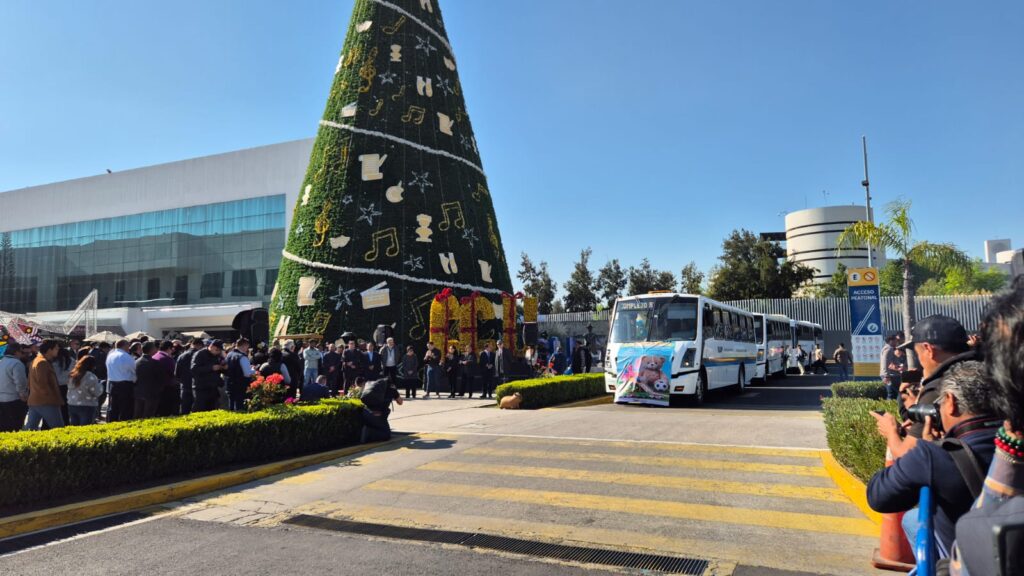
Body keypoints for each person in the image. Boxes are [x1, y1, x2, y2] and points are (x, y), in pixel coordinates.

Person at [867, 360, 999, 555]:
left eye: (940, 404)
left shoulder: (933, 455)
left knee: (913, 520)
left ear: (951, 402)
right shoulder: (1011, 438)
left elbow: (878, 496)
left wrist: (895, 435)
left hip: (973, 561)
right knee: (912, 519)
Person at [884, 315, 973, 459]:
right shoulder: (988, 372)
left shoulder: (937, 388)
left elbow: (905, 453)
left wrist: (891, 431)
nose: (920, 361)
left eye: (918, 354)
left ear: (928, 349)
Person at [23, 339, 65, 430]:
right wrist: (53, 398)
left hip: (35, 400)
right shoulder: (42, 362)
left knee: (30, 430)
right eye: (56, 348)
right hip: (46, 401)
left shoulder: (36, 360)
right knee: (59, 429)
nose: (58, 350)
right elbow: (42, 384)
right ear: (49, 350)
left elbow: (31, 382)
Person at [359, 377, 403, 443]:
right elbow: (400, 402)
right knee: (386, 434)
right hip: (377, 416)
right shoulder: (391, 388)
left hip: (366, 412)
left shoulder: (373, 385)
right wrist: (395, 391)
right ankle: (369, 433)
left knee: (379, 426)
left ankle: (365, 431)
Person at [0, 342, 29, 432]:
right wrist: (24, 395)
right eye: (21, 352)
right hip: (14, 399)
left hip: (1, 399)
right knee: (16, 426)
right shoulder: (17, 363)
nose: (22, 354)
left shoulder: (2, 362)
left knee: (4, 427)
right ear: (16, 352)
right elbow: (20, 382)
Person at [105, 339, 136, 422]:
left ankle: (112, 423)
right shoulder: (125, 356)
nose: (129, 348)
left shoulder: (110, 355)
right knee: (125, 408)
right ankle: (124, 424)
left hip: (112, 384)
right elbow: (134, 369)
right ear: (125, 346)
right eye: (128, 346)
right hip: (125, 385)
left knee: (114, 408)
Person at [66, 356, 103, 425]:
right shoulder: (90, 376)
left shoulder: (72, 375)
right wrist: (100, 385)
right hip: (87, 405)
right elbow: (96, 392)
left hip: (72, 404)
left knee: (74, 427)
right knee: (85, 428)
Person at [191, 339, 226, 412]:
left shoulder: (217, 356)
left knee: (213, 409)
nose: (218, 352)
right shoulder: (200, 354)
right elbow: (194, 369)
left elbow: (220, 367)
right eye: (217, 350)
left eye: (220, 350)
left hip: (213, 387)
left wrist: (223, 367)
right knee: (200, 409)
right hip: (201, 388)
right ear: (211, 346)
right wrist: (211, 368)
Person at [134, 341, 164, 419]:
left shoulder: (136, 361)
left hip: (138, 392)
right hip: (151, 393)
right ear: (152, 349)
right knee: (148, 416)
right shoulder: (155, 363)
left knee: (138, 415)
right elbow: (160, 379)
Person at [225, 338, 255, 411]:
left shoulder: (229, 354)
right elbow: (247, 374)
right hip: (240, 386)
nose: (247, 349)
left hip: (229, 384)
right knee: (239, 408)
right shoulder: (242, 357)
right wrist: (253, 370)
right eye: (247, 346)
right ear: (244, 345)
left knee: (231, 407)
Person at [175, 338, 202, 415]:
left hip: (185, 386)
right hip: (198, 387)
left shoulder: (181, 356)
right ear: (200, 345)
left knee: (184, 410)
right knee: (198, 412)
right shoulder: (201, 355)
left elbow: (177, 373)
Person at [152, 340, 178, 416]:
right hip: (167, 388)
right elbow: (174, 373)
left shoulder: (154, 356)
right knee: (166, 410)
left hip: (155, 387)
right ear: (169, 348)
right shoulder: (167, 359)